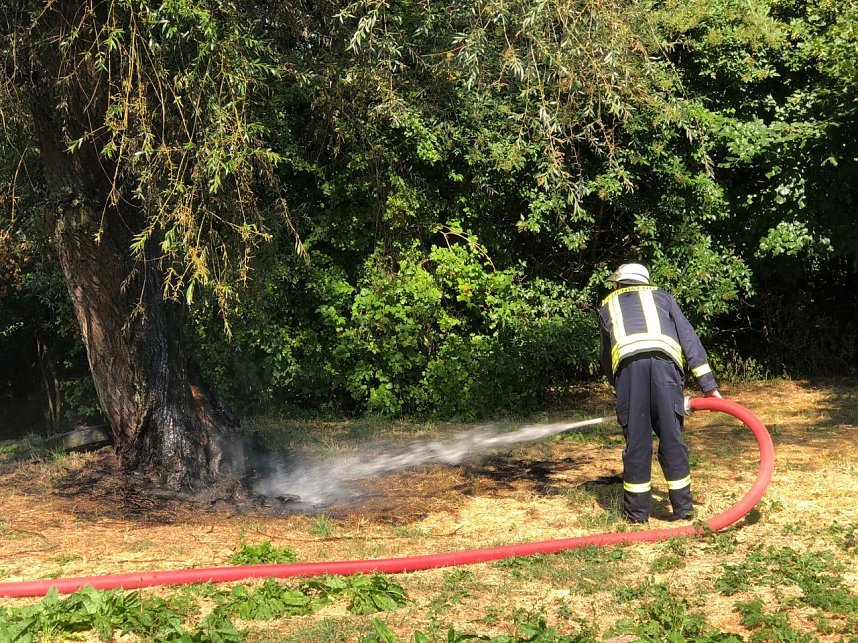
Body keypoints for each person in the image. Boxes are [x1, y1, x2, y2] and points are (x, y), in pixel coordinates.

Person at [598, 263, 722, 523]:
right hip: (666, 370)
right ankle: (683, 510)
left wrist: (620, 388)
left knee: (638, 444)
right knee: (671, 439)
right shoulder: (663, 296)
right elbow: (689, 339)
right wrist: (708, 386)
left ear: (620, 284)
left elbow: (606, 357)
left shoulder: (607, 304)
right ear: (644, 281)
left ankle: (636, 516)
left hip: (630, 372)